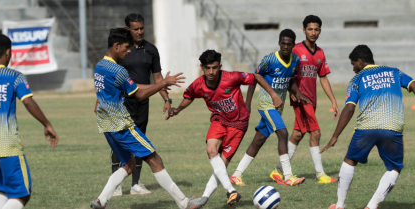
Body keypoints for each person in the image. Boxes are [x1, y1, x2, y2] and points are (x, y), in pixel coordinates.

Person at [321, 45, 415, 209]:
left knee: (350, 161)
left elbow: (349, 108)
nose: (353, 69)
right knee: (394, 168)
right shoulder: (394, 72)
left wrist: (335, 136)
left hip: (367, 127)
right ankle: (371, 206)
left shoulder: (357, 79)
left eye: (353, 65)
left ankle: (340, 205)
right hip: (392, 126)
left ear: (360, 61)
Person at [165, 50, 282, 208]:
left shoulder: (232, 77)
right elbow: (189, 95)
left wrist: (273, 96)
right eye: (207, 68)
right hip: (219, 119)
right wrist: (177, 109)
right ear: (202, 67)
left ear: (220, 66)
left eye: (214, 67)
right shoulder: (198, 84)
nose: (211, 72)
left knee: (222, 164)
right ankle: (231, 190)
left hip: (239, 124)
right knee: (211, 149)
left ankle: (204, 198)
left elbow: (257, 77)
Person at [90, 28, 191, 209]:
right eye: (126, 48)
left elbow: (131, 86)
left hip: (106, 126)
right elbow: (139, 95)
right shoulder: (118, 70)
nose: (129, 51)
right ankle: (184, 203)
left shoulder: (100, 66)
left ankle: (100, 201)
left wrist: (158, 85)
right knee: (155, 160)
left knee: (129, 165)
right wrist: (162, 84)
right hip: (121, 125)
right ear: (116, 45)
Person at [0, 34, 59, 209]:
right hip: (6, 145)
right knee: (21, 194)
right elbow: (28, 101)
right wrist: (47, 124)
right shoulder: (14, 76)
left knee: (3, 190)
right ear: (9, 52)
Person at [99, 13, 170, 196]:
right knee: (120, 144)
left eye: (142, 28)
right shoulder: (122, 50)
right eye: (135, 29)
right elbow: (108, 78)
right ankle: (116, 186)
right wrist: (99, 100)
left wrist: (166, 99)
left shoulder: (151, 50)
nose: (139, 32)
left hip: (142, 101)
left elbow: (157, 77)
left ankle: (136, 184)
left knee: (140, 141)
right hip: (121, 103)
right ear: (127, 30)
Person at [229, 29, 310, 187]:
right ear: (279, 43)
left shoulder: (295, 59)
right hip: (267, 104)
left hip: (278, 106)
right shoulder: (270, 59)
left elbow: (290, 79)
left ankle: (236, 175)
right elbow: (256, 76)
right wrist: (249, 102)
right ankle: (287, 176)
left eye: (289, 44)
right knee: (283, 133)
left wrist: (297, 93)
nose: (286, 46)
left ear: (293, 45)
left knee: (258, 140)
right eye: (283, 43)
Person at [270, 15, 339, 184]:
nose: (313, 32)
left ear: (320, 31)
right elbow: (286, 71)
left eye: (316, 29)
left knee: (298, 134)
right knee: (316, 133)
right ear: (304, 30)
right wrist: (291, 90)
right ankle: (320, 174)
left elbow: (322, 78)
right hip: (301, 100)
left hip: (312, 100)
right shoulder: (296, 50)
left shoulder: (320, 53)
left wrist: (333, 101)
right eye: (310, 29)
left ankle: (278, 171)